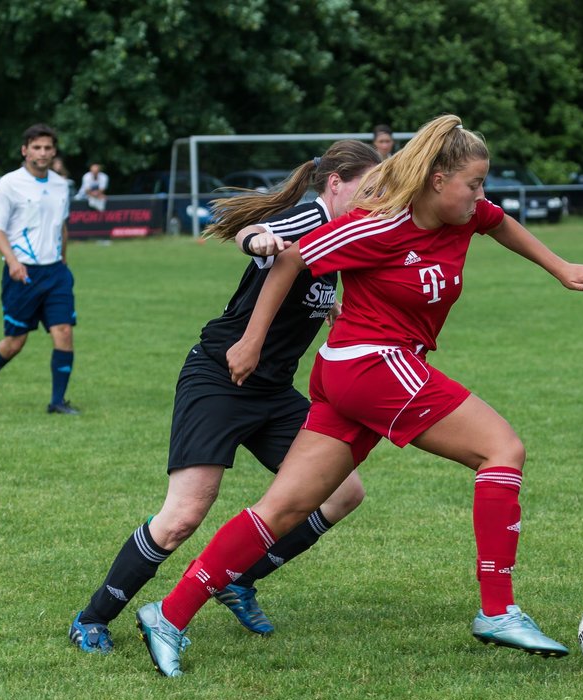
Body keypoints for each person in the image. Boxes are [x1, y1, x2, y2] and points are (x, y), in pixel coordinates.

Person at [135, 115, 583, 677]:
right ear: (438, 180)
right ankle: (498, 609)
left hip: (364, 374)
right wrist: (252, 339)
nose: (481, 196)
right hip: (371, 365)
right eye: (474, 184)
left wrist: (561, 268)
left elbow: (500, 222)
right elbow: (291, 258)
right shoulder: (377, 226)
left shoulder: (464, 213)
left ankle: (168, 614)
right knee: (502, 449)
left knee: (284, 507)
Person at [68, 140, 382, 654]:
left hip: (274, 392)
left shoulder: (346, 233)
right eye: (368, 188)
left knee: (343, 493)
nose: (375, 199)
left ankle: (237, 579)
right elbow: (257, 232)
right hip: (220, 378)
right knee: (184, 515)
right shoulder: (307, 219)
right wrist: (257, 242)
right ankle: (92, 618)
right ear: (335, 183)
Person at [0, 124, 79, 415]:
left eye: (47, 148)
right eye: (36, 147)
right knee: (15, 342)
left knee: (64, 333)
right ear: (25, 150)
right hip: (23, 274)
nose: (42, 153)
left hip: (55, 272)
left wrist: (64, 262)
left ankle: (57, 402)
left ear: (54, 151)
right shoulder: (9, 183)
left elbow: (62, 226)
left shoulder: (60, 185)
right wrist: (12, 261)